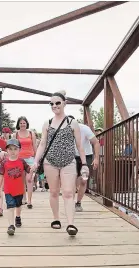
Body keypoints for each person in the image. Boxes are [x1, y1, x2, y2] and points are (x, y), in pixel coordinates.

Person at [31, 90, 89, 236]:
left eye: (57, 103)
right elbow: (42, 144)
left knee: (69, 192)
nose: (54, 106)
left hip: (68, 161)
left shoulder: (72, 123)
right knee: (54, 192)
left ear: (64, 103)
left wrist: (84, 163)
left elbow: (79, 145)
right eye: (52, 104)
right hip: (50, 162)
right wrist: (36, 161)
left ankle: (70, 224)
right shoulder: (47, 123)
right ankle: (56, 218)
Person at [0, 139, 31, 235]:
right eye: (10, 149)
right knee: (10, 207)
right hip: (8, 190)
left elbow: (29, 170)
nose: (12, 151)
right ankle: (11, 225)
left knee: (18, 206)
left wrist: (33, 171)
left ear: (19, 150)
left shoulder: (22, 161)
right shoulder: (4, 163)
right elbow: (0, 175)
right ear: (7, 150)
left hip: (19, 190)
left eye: (15, 149)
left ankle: (18, 217)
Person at [68, 117, 100, 212]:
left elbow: (96, 143)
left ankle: (78, 202)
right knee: (71, 180)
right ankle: (70, 202)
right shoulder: (65, 130)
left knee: (84, 180)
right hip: (72, 157)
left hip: (86, 156)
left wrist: (96, 158)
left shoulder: (84, 129)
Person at [14, 116, 37, 209]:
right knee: (21, 180)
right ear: (18, 124)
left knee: (29, 179)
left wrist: (36, 159)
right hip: (19, 158)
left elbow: (34, 146)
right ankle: (23, 197)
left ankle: (29, 200)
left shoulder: (31, 133)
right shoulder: (15, 135)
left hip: (30, 158)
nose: (22, 124)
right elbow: (13, 148)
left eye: (24, 123)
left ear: (26, 124)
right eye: (21, 123)